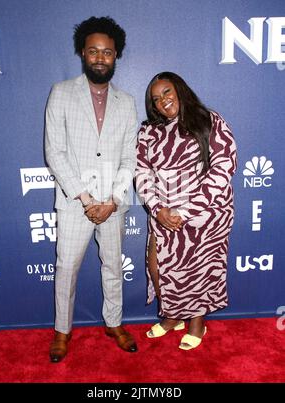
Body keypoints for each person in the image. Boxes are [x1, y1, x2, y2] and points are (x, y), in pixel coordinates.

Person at [45, 16, 138, 362]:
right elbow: (54, 152)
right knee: (66, 268)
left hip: (113, 204)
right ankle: (62, 331)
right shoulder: (61, 92)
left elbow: (130, 157)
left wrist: (113, 199)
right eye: (94, 51)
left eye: (108, 52)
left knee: (113, 266)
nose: (101, 58)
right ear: (82, 53)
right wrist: (85, 198)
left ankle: (114, 323)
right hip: (75, 203)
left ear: (117, 56)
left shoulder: (126, 102)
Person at [136, 72, 237, 350]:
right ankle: (172, 315)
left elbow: (224, 167)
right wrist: (157, 209)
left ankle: (196, 322)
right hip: (163, 212)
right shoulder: (148, 131)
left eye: (167, 92)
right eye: (156, 99)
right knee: (157, 265)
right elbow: (142, 172)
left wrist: (188, 210)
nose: (162, 101)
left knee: (199, 267)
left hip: (206, 212)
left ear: (179, 90)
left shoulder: (209, 120)